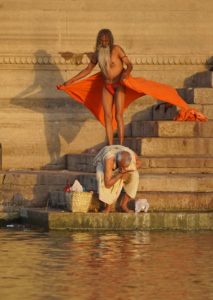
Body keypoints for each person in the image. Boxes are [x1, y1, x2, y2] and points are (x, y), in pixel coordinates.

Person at [57, 29, 207, 145]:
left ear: (110, 40)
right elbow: (87, 70)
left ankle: (121, 143)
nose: (104, 42)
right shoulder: (97, 54)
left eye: (106, 40)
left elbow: (129, 64)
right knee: (108, 116)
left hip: (120, 85)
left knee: (118, 115)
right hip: (106, 86)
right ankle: (110, 145)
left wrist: (125, 74)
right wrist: (69, 82)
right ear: (98, 41)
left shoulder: (116, 49)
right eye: (102, 40)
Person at [93, 145, 142, 213]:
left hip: (121, 161)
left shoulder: (132, 155)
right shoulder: (109, 160)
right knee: (103, 176)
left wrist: (127, 170)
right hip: (103, 162)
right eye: (122, 167)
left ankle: (124, 205)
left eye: (125, 167)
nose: (123, 169)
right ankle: (108, 206)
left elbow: (139, 163)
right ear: (117, 162)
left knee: (135, 175)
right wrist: (120, 174)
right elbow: (107, 184)